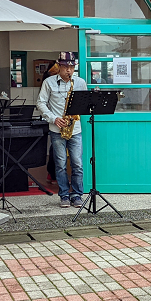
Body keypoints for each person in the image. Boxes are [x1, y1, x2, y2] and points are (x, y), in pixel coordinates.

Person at [36, 51, 87, 208]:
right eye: (65, 67)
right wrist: (54, 118)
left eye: (72, 67)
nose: (69, 71)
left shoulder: (80, 82)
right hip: (57, 129)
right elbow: (40, 102)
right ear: (59, 66)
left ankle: (77, 195)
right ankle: (64, 195)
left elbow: (85, 103)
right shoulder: (49, 82)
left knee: (77, 163)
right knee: (60, 164)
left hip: (75, 129)